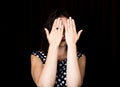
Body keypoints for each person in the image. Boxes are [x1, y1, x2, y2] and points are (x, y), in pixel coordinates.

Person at [30, 9, 86, 87]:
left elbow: (74, 85)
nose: (62, 34)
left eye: (66, 29)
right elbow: (45, 85)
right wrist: (53, 44)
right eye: (58, 28)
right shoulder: (37, 56)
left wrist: (72, 44)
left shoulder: (80, 57)